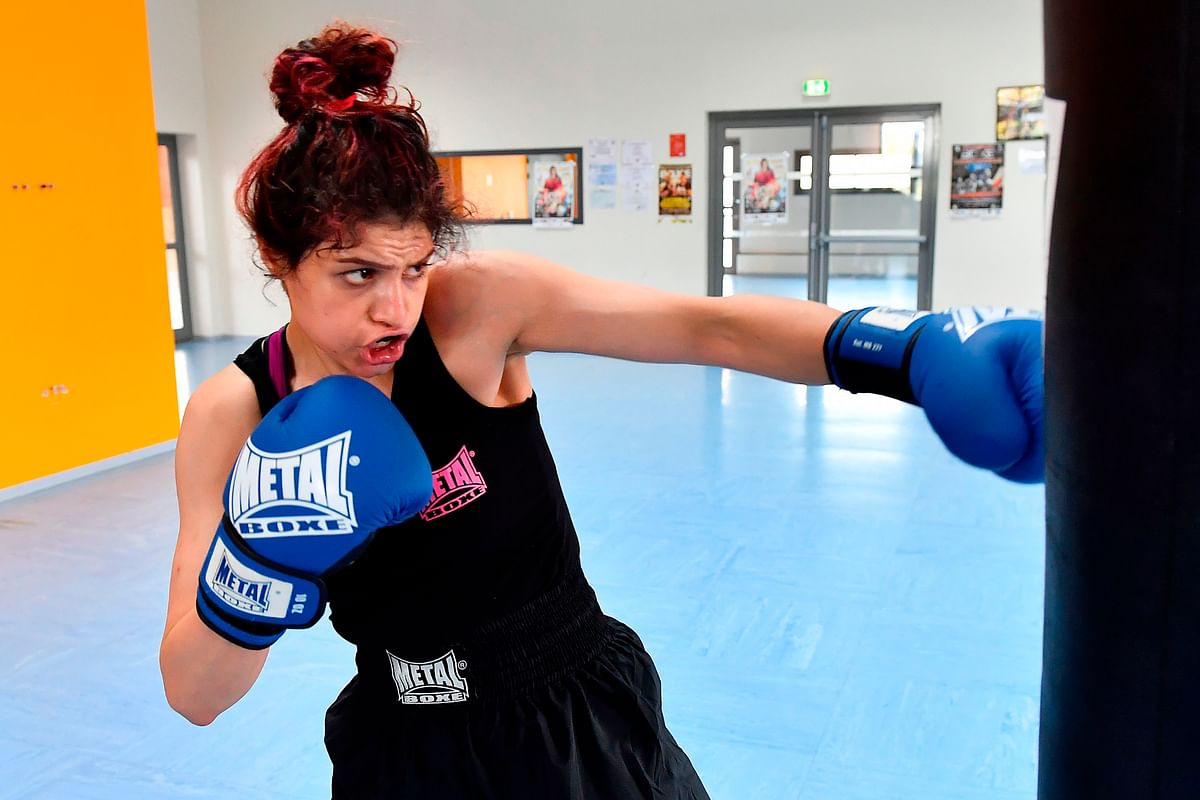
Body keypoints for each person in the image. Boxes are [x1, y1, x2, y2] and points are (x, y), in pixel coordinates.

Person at [159, 23, 1044, 799]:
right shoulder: (232, 414)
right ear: (279, 256)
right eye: (357, 274)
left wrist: (908, 351)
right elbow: (193, 696)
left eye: (415, 266)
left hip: (571, 716)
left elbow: (713, 328)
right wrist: (254, 563)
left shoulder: (473, 314)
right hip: (399, 744)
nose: (395, 310)